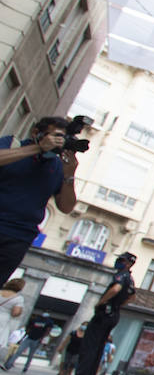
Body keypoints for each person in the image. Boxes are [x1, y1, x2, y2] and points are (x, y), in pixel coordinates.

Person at [0, 117, 79, 284]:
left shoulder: (56, 166)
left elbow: (66, 207)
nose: (58, 142)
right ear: (36, 132)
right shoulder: (13, 144)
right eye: (56, 136)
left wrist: (70, 174)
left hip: (18, 237)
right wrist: (37, 148)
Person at [60, 252, 137, 375]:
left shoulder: (121, 275)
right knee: (98, 348)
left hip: (104, 313)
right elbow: (132, 297)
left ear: (128, 263)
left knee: (89, 346)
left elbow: (116, 288)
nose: (118, 261)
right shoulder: (130, 279)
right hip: (114, 313)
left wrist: (101, 301)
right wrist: (118, 305)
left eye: (121, 260)